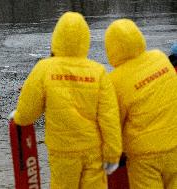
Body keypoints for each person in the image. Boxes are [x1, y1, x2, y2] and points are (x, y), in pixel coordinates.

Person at [10, 12, 122, 189]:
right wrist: (113, 155)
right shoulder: (98, 72)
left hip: (62, 151)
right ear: (86, 38)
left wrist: (19, 117)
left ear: (57, 37)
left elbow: (28, 111)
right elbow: (109, 118)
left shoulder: (44, 68)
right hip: (93, 149)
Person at [105, 19, 177, 189]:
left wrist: (111, 157)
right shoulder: (160, 58)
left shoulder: (114, 81)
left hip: (144, 158)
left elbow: (114, 124)